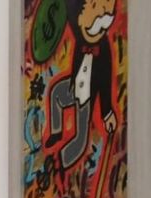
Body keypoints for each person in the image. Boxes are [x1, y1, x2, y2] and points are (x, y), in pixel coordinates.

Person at [45, 0, 119, 169]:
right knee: (56, 93)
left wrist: (107, 112)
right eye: (94, 8)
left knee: (80, 140)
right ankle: (56, 132)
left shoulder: (103, 48)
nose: (100, 20)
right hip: (74, 86)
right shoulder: (80, 34)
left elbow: (106, 82)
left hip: (87, 96)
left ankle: (60, 162)